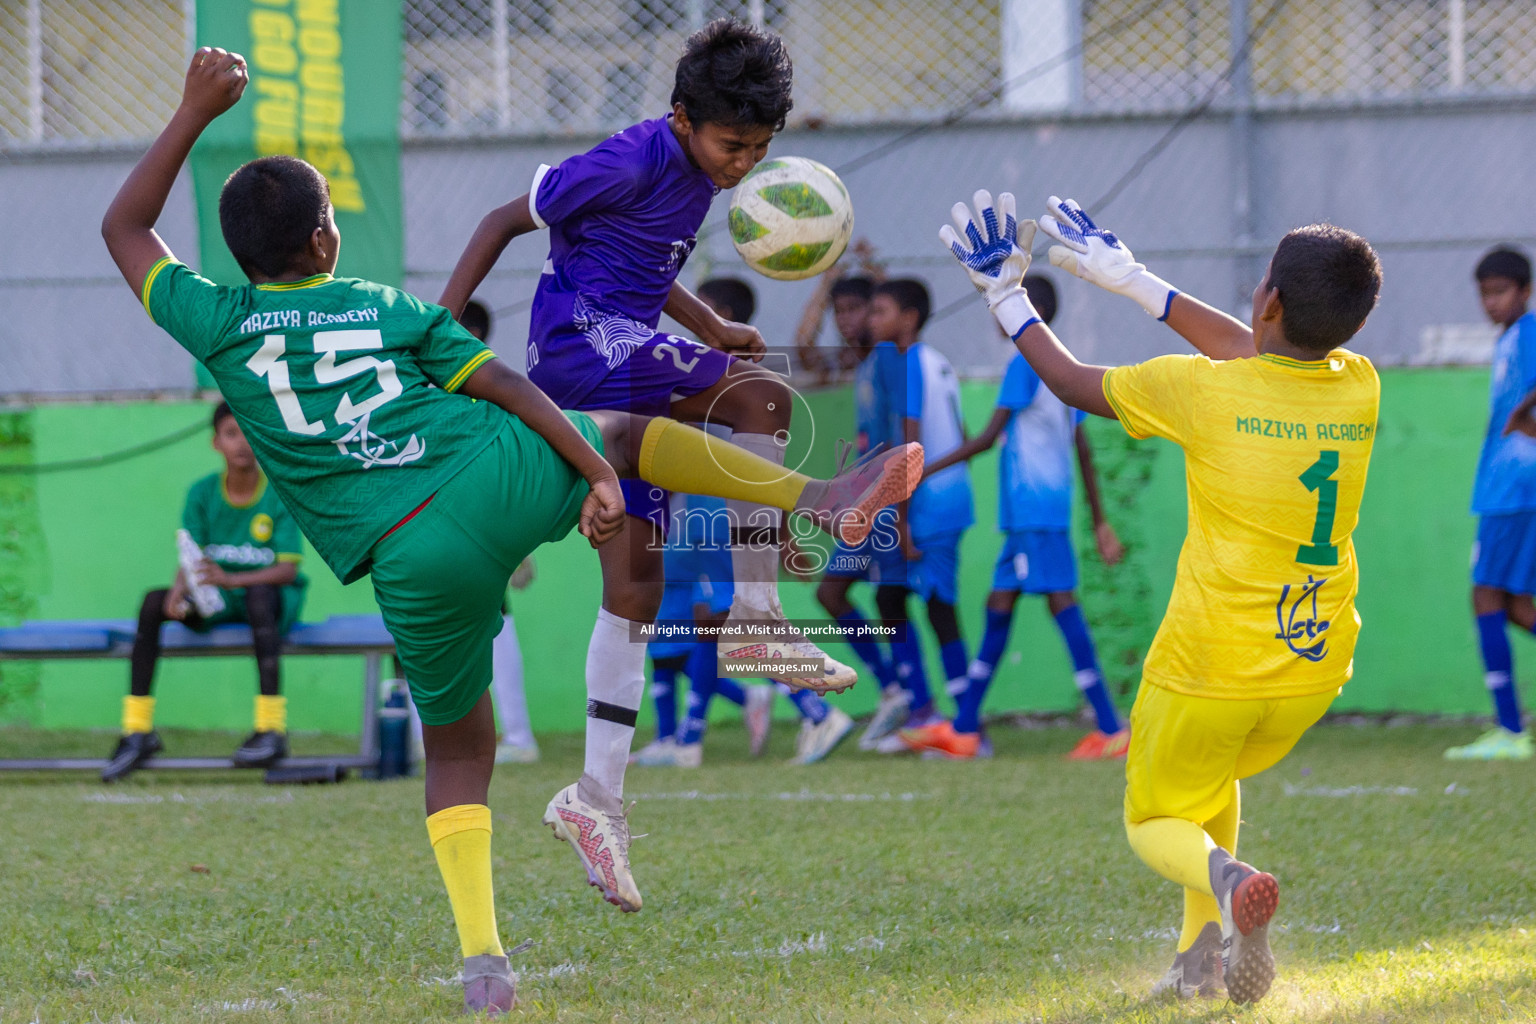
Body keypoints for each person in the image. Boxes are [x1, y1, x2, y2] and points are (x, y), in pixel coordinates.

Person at [101, 48, 918, 1015]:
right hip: (490, 478)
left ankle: (486, 964)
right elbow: (501, 381)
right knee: (631, 437)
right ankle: (812, 503)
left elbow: (124, 226)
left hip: (405, 558)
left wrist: (193, 109)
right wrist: (591, 471)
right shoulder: (385, 307)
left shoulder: (215, 319)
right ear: (327, 239)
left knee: (460, 751)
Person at [941, 190, 1380, 1003]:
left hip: (1209, 667)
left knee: (1153, 820)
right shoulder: (1359, 385)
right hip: (1314, 667)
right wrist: (1134, 280)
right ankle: (1198, 967)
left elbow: (1071, 383)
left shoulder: (1200, 393)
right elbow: (1253, 352)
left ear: (1269, 299)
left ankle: (1227, 878)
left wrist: (1007, 297)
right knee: (1209, 785)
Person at [438, 21, 867, 742]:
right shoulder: (628, 163)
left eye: (760, 149)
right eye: (733, 147)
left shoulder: (701, 174)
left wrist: (707, 323)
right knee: (761, 400)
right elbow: (499, 221)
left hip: (627, 364)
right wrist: (441, 336)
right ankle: (757, 617)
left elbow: (642, 261)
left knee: (638, 588)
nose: (743, 166)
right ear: (681, 119)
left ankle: (595, 800)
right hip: (584, 354)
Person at [902, 274, 1129, 761]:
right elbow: (1082, 447)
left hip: (1032, 512)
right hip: (1039, 512)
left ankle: (1110, 727)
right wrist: (1098, 519)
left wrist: (922, 468)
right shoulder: (1063, 365)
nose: (994, 316)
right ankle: (964, 728)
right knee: (999, 606)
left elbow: (986, 439)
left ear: (1024, 313)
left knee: (1059, 603)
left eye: (999, 307)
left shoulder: (1025, 362)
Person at [631, 277, 854, 767]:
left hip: (716, 520)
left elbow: (761, 470)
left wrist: (785, 531)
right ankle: (682, 739)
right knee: (694, 628)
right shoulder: (706, 372)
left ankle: (815, 710)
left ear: (723, 315)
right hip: (692, 521)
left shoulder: (719, 378)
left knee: (731, 626)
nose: (688, 319)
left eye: (702, 310)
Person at [102, 400, 307, 782]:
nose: (242, 443)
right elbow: (189, 555)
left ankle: (270, 729)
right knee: (152, 602)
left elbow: (287, 568)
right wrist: (178, 594)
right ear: (216, 443)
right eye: (231, 434)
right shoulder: (201, 493)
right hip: (221, 597)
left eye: (248, 433)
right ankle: (137, 730)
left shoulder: (277, 493)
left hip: (268, 599)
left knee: (261, 596)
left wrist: (232, 580)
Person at [863, 279, 975, 753]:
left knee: (934, 608)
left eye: (881, 310)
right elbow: (963, 432)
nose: (872, 319)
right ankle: (931, 713)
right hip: (950, 500)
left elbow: (910, 446)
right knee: (897, 601)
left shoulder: (909, 365)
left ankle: (961, 727)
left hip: (929, 507)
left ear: (907, 318)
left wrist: (902, 520)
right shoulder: (939, 361)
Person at [1445, 248, 1536, 761]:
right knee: (1518, 609)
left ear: (1524, 290)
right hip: (1506, 489)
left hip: (1517, 490)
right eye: (1485, 293)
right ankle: (1509, 729)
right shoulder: (1509, 340)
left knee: (1486, 597)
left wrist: (1526, 418)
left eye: (1500, 291)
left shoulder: (1529, 333)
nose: (1491, 302)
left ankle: (1509, 730)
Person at [808, 269, 907, 727]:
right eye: (838, 312)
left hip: (886, 504)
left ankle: (907, 695)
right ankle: (896, 689)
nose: (846, 321)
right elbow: (805, 348)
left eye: (858, 310)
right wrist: (826, 281)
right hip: (867, 504)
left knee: (891, 599)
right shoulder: (857, 362)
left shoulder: (889, 357)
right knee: (836, 593)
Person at [460, 299, 540, 764]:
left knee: (495, 615)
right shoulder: (433, 388)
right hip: (442, 517)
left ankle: (518, 735)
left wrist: (520, 544)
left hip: (483, 521)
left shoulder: (493, 392)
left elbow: (510, 464)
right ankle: (422, 730)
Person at [793, 239, 884, 382]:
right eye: (839, 311)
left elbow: (894, 308)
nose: (844, 318)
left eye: (853, 308)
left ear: (873, 309)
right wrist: (826, 282)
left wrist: (872, 266)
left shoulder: (888, 353)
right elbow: (804, 343)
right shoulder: (837, 364)